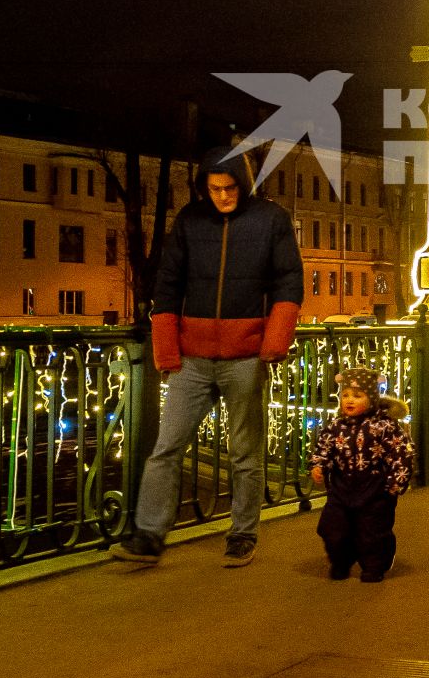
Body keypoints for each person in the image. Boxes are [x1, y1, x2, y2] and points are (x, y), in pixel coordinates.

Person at [112, 147, 304, 567]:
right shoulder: (189, 220)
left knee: (245, 452)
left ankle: (242, 534)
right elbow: (168, 282)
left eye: (229, 187)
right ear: (204, 187)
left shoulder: (270, 220)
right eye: (214, 189)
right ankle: (148, 536)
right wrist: (166, 349)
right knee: (167, 447)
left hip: (246, 357)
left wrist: (274, 341)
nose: (222, 196)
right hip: (192, 358)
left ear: (243, 182)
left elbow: (289, 281)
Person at [309, 364, 415, 582]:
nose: (349, 400)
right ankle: (341, 560)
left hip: (375, 488)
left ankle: (376, 565)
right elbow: (324, 447)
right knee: (333, 528)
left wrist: (398, 480)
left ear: (372, 399)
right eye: (345, 395)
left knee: (372, 531)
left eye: (357, 396)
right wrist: (319, 465)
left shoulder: (384, 426)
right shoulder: (336, 426)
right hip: (342, 487)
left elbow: (401, 452)